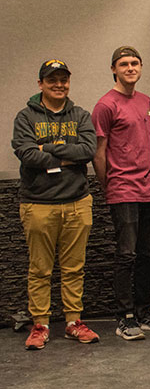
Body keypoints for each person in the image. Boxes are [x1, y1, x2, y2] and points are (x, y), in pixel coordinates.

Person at [12, 59, 99, 350]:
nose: (59, 85)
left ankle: (74, 322)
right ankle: (41, 325)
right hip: (38, 204)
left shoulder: (81, 115)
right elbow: (26, 154)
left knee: (75, 268)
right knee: (40, 269)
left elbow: (87, 150)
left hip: (77, 202)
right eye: (52, 80)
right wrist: (66, 155)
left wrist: (46, 149)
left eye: (63, 79)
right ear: (41, 84)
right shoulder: (25, 117)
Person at [92, 46, 150, 341]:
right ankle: (124, 316)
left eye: (135, 63)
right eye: (124, 64)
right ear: (114, 69)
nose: (130, 68)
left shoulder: (146, 101)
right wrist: (108, 185)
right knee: (126, 254)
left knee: (147, 254)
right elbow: (98, 153)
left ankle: (143, 309)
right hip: (122, 190)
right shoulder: (105, 105)